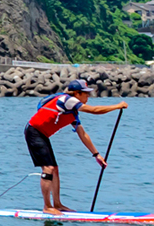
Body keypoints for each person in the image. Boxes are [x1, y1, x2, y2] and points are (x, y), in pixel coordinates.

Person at [26, 79, 126, 214]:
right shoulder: (68, 100)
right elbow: (94, 110)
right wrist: (117, 106)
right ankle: (47, 207)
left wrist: (96, 155)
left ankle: (57, 204)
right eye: (86, 93)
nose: (88, 96)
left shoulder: (72, 112)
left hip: (43, 135)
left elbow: (82, 133)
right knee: (48, 168)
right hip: (34, 132)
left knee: (54, 168)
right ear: (77, 93)